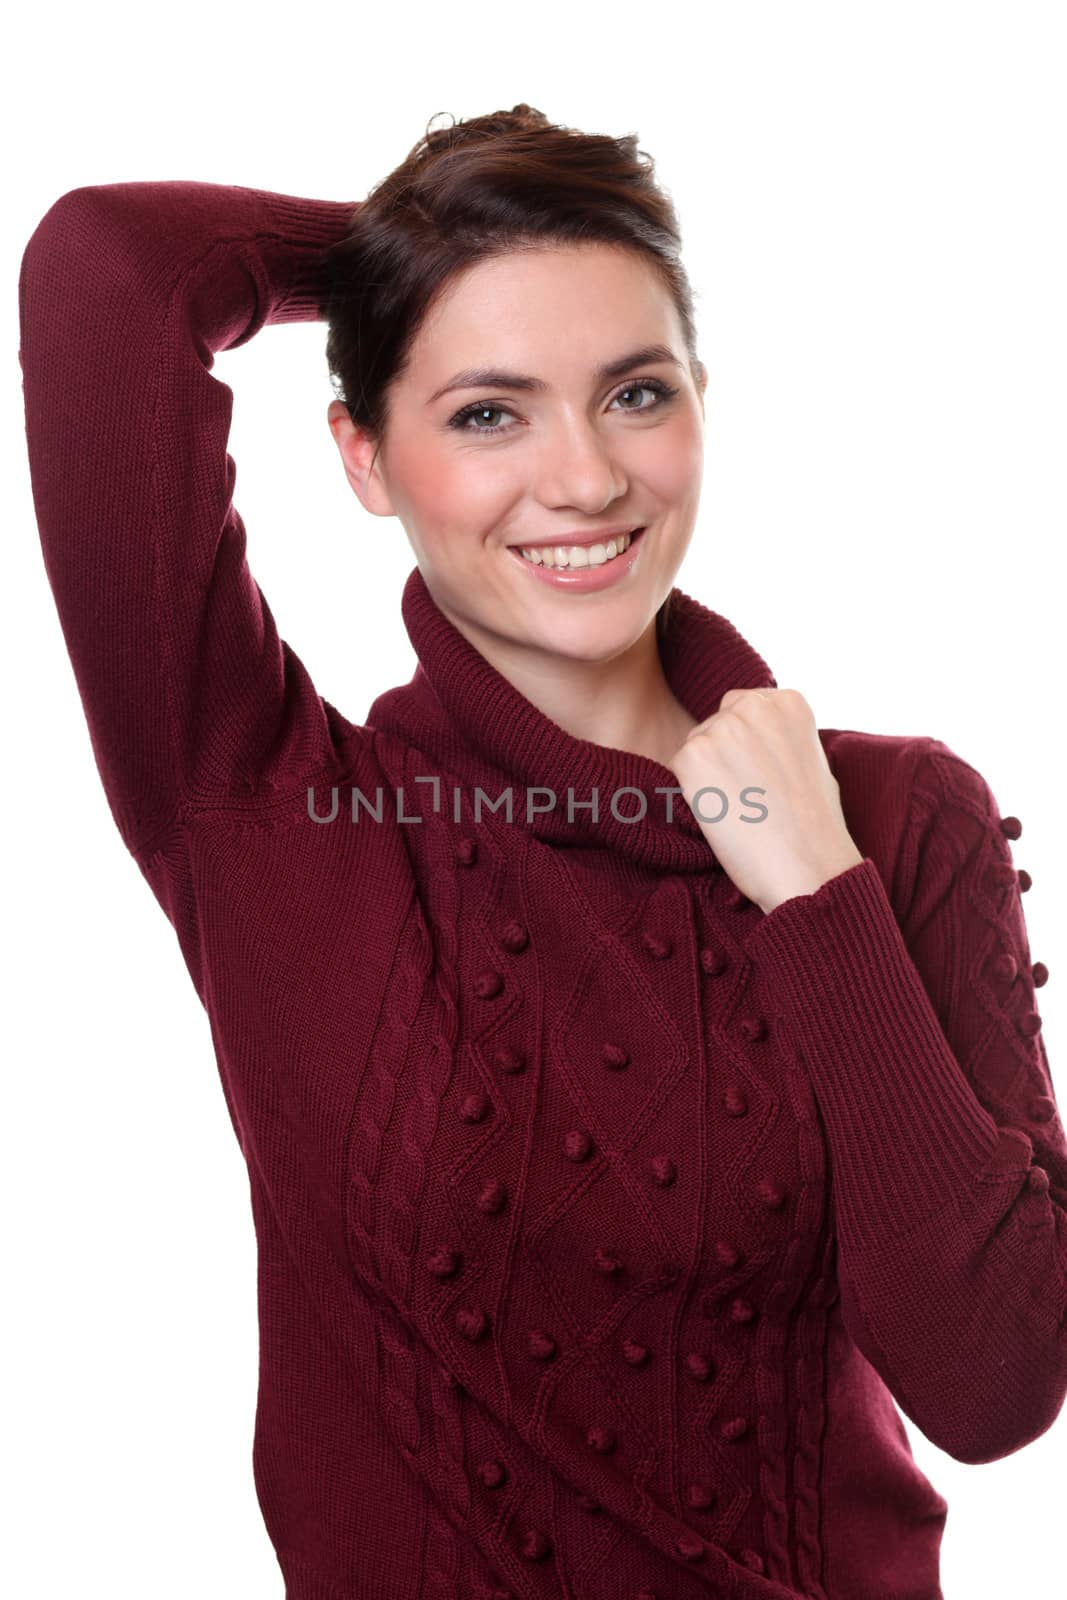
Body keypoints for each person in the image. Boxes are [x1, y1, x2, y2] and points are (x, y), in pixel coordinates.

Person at [19, 103, 1066, 1600]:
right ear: (364, 457)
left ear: (703, 399)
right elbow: (106, 273)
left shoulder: (897, 823)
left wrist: (822, 903)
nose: (582, 480)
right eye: (486, 411)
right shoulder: (270, 813)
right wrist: (416, 256)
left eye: (634, 392)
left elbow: (994, 1387)